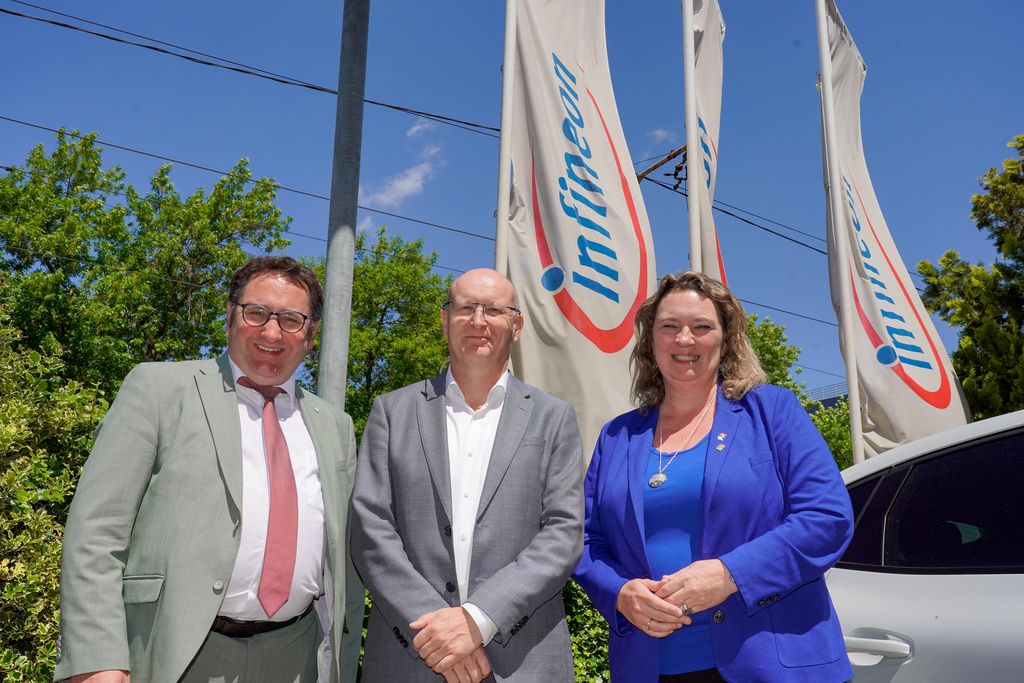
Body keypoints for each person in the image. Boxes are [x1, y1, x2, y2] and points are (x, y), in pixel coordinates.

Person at [55, 256, 363, 683]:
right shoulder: (159, 390)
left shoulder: (336, 426)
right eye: (256, 313)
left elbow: (345, 557)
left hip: (298, 654)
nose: (272, 331)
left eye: (291, 320)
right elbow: (96, 533)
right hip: (175, 651)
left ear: (311, 335)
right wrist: (97, 661)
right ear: (230, 317)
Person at [573, 271, 854, 683]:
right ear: (651, 340)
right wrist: (618, 594)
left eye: (702, 327)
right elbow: (583, 541)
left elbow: (827, 518)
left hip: (772, 664)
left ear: (726, 339)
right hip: (651, 667)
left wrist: (729, 575)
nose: (685, 340)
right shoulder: (617, 436)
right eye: (669, 327)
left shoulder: (772, 411)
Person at [351, 268, 583, 683]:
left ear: (516, 326)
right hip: (413, 656)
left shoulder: (554, 418)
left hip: (522, 662)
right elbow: (370, 529)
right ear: (444, 320)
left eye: (494, 309)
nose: (478, 321)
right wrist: (439, 630)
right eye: (465, 308)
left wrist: (478, 620)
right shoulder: (391, 412)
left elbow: (563, 533)